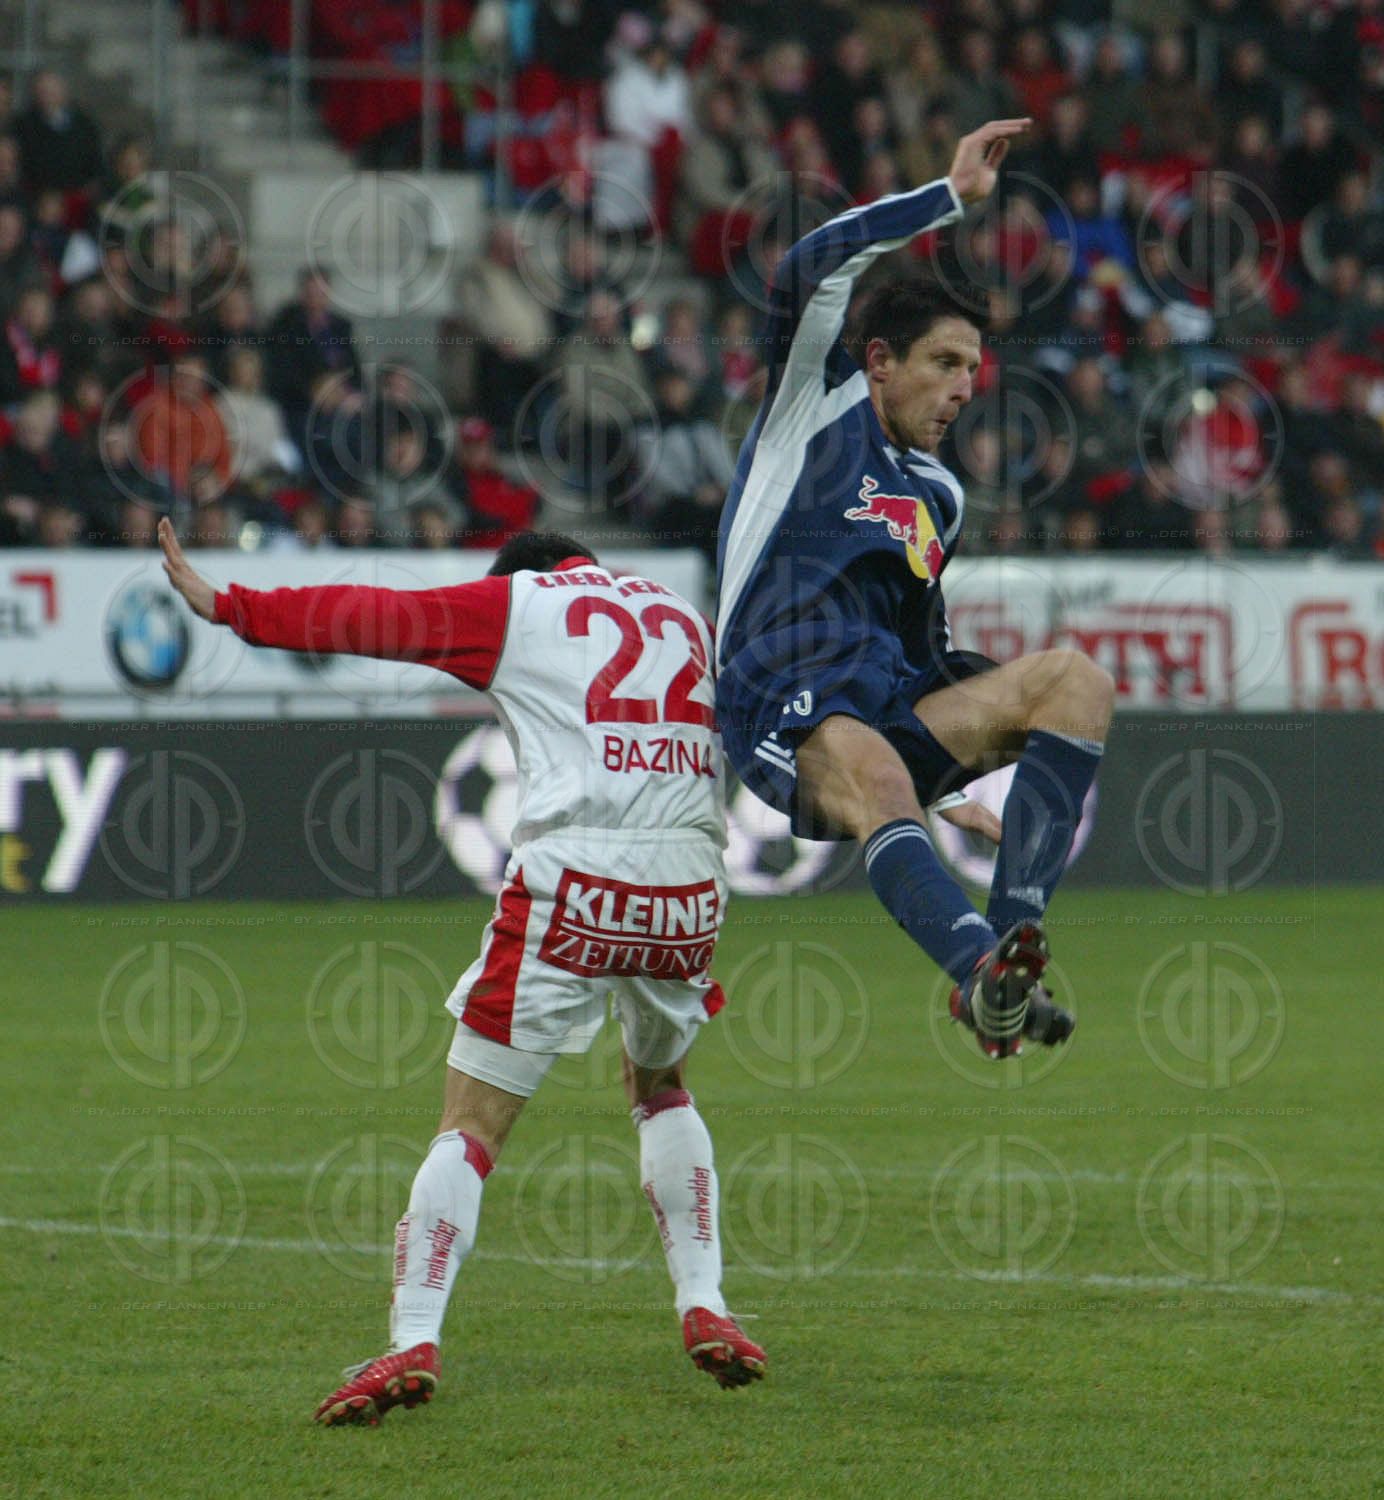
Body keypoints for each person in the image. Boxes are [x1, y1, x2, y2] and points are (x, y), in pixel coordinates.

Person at [156, 519, 765, 1421]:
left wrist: (234, 607)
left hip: (578, 874)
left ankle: (413, 1337)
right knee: (661, 1084)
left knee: (470, 1127)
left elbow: (374, 615)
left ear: (517, 573)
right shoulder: (685, 615)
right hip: (692, 882)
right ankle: (704, 1301)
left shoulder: (519, 603)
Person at [714, 117, 1115, 1058]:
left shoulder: (939, 494)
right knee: (880, 774)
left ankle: (1008, 956)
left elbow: (919, 645)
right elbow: (808, 266)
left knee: (1076, 682)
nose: (964, 388)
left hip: (883, 693)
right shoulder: (811, 406)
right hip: (780, 684)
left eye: (973, 369)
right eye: (944, 363)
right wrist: (947, 197)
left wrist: (949, 791)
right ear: (880, 361)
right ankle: (975, 968)